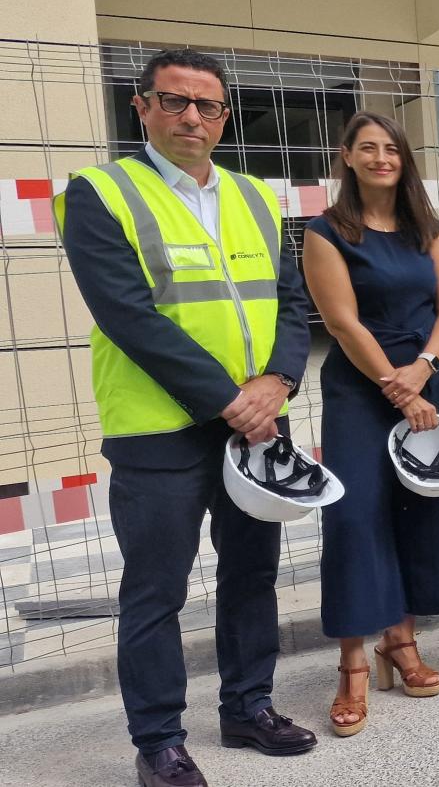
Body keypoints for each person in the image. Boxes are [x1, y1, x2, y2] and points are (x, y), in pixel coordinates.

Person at [58, 49, 317, 787]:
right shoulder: (101, 193)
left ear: (225, 117)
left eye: (207, 105)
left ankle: (248, 707)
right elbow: (128, 316)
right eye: (174, 101)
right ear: (142, 107)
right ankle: (160, 742)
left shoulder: (256, 197)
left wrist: (278, 381)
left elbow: (290, 301)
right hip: (159, 431)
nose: (192, 117)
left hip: (258, 422)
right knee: (156, 591)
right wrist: (230, 399)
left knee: (252, 574)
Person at [303, 112, 439, 735]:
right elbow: (342, 322)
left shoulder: (425, 229)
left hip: (428, 376)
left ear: (404, 159)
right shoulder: (326, 232)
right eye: (368, 148)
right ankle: (352, 664)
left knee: (419, 509)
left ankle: (400, 643)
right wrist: (397, 385)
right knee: (356, 517)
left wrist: (425, 368)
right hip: (363, 386)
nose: (381, 157)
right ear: (347, 157)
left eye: (392, 148)